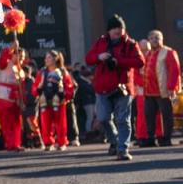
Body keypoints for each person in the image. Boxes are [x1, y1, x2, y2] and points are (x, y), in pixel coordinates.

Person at [85, 15, 145, 160]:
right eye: (114, 28)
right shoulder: (101, 42)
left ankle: (123, 149)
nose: (117, 31)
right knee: (103, 118)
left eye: (120, 28)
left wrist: (119, 62)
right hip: (103, 88)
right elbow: (88, 59)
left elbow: (140, 61)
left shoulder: (130, 44)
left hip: (123, 88)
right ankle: (115, 141)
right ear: (109, 31)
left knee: (123, 120)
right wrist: (100, 57)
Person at [142, 30, 180, 148]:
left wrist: (171, 87)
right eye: (152, 38)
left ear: (162, 39)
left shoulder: (168, 52)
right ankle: (150, 138)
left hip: (163, 90)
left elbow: (175, 71)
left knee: (166, 115)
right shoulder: (148, 53)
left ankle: (166, 138)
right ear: (149, 40)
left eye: (157, 37)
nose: (155, 40)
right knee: (149, 115)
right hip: (149, 91)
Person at [33, 51, 75, 151]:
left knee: (60, 123)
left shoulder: (62, 71)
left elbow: (69, 86)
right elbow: (36, 86)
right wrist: (37, 91)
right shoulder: (42, 72)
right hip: (45, 100)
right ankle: (48, 142)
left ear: (55, 59)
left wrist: (64, 95)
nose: (46, 60)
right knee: (45, 122)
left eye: (49, 58)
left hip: (58, 100)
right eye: (46, 58)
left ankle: (61, 142)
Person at [0, 43, 25, 152]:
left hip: (15, 98)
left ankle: (16, 144)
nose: (21, 59)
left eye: (23, 57)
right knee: (6, 122)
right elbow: (3, 58)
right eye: (19, 56)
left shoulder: (21, 70)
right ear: (13, 55)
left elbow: (22, 88)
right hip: (4, 96)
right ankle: (10, 144)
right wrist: (11, 48)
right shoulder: (5, 64)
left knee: (17, 122)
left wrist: (22, 101)